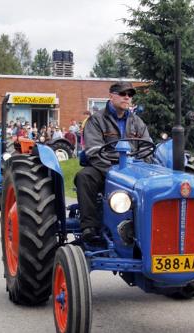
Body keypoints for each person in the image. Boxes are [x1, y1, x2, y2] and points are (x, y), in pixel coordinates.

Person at [75, 81, 151, 243]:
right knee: (85, 177)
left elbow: (146, 148)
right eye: (123, 94)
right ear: (111, 96)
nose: (127, 98)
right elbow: (94, 152)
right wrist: (115, 172)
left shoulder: (137, 121)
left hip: (134, 170)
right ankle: (89, 226)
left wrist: (137, 169)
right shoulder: (96, 120)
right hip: (105, 168)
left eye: (130, 95)